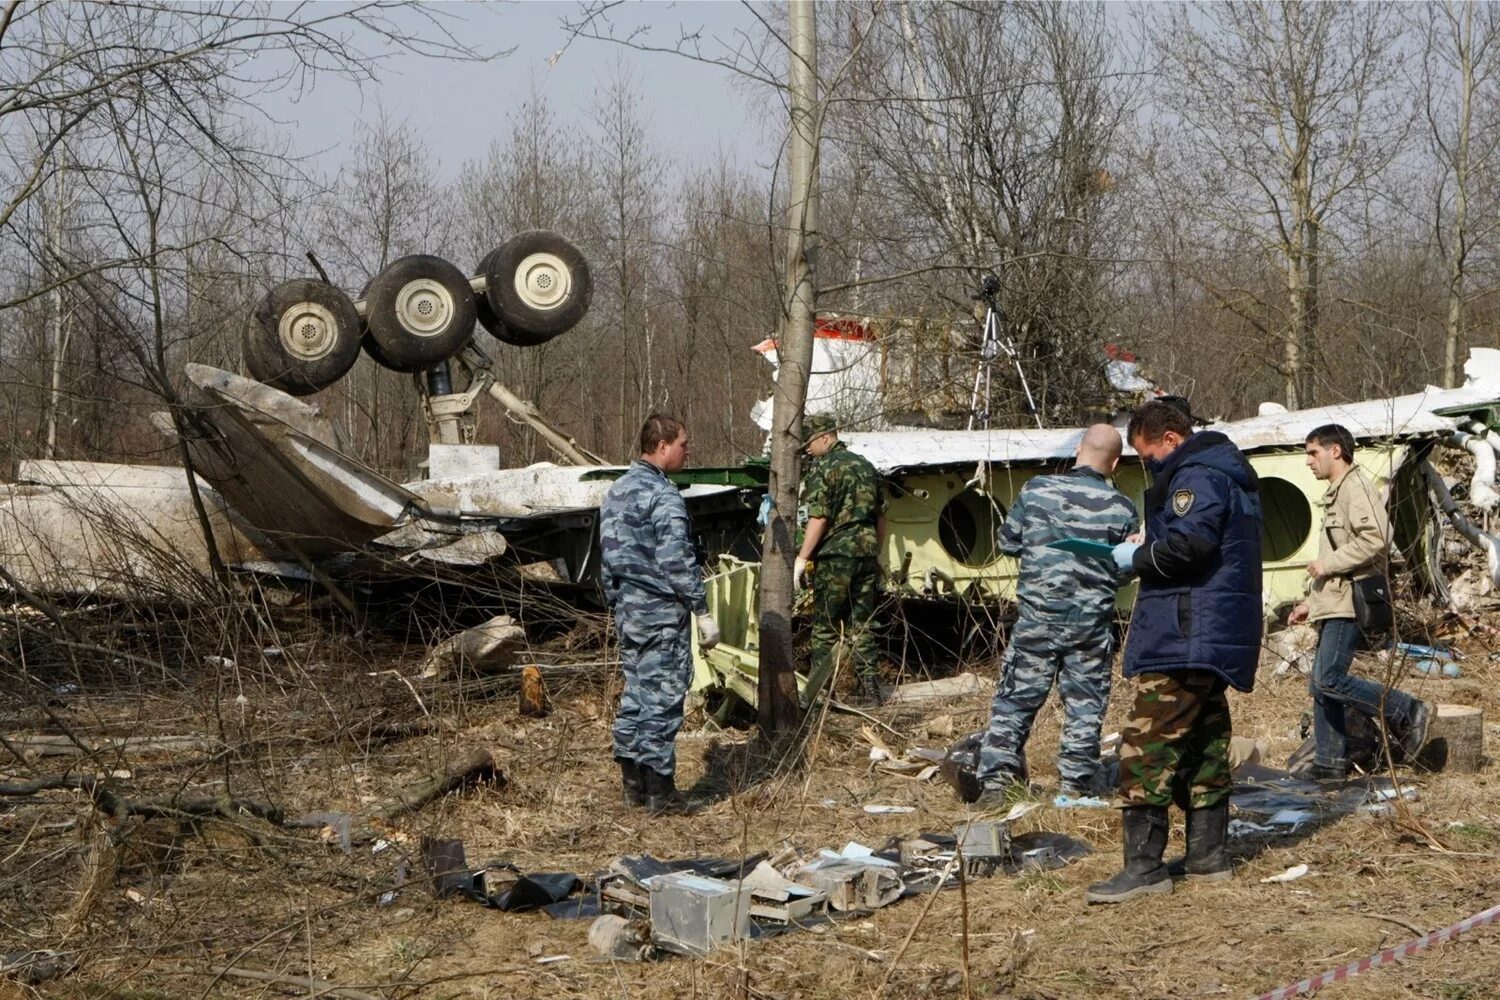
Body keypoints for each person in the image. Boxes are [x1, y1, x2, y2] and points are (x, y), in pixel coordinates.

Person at [1087, 399, 1263, 903]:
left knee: (1146, 745)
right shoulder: (1221, 474)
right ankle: (1208, 857)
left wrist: (1140, 555)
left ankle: (1143, 869)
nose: (1149, 468)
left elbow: (1191, 547)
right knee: (1206, 744)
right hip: (1206, 629)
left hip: (1187, 632)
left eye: (1148, 457)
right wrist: (1155, 539)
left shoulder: (1198, 476)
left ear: (1169, 439)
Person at [963, 424, 1139, 805]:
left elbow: (1007, 543)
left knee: (1015, 701)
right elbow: (1126, 569)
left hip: (1038, 618)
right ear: (1116, 462)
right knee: (1085, 704)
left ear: (1078, 449)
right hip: (1090, 624)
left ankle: (996, 784)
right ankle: (1076, 785)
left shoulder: (1037, 489)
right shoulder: (1123, 508)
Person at [1289, 424, 1430, 780]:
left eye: (1313, 452)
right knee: (1320, 684)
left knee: (1328, 680)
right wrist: (1311, 601)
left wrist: (1327, 565)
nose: (1308, 462)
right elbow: (1339, 550)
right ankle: (1330, 762)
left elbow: (1378, 538)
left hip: (1349, 603)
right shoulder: (1338, 492)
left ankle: (1406, 709)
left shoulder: (1355, 488)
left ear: (1336, 451)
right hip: (1333, 601)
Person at [600, 414, 721, 815]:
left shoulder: (616, 492)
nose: (688, 451)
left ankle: (634, 787)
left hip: (629, 612)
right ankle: (661, 795)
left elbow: (606, 558)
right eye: (684, 444)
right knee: (664, 698)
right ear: (663, 445)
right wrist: (701, 610)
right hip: (661, 612)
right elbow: (677, 561)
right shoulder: (662, 496)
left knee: (636, 694)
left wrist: (618, 602)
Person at [795, 414, 886, 705]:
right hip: (867, 553)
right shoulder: (866, 466)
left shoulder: (825, 469)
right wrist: (875, 551)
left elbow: (819, 518)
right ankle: (871, 690)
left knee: (825, 626)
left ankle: (823, 693)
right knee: (862, 623)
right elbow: (882, 517)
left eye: (809, 442)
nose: (807, 449)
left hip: (836, 556)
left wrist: (802, 557)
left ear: (825, 437)